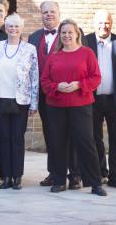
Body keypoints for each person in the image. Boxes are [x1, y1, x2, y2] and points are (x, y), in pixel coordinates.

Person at [40, 19, 106, 196]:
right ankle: (59, 181)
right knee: (57, 144)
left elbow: (96, 78)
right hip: (56, 107)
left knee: (86, 143)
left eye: (70, 32)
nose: (67, 35)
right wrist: (57, 87)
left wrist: (79, 84)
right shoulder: (54, 56)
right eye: (63, 33)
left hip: (81, 105)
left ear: (77, 34)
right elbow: (45, 81)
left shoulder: (87, 53)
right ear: (60, 36)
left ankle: (95, 183)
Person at [28, 0, 80, 189]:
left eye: (52, 12)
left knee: (71, 134)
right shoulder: (33, 37)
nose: (48, 15)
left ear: (59, 13)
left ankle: (75, 174)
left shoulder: (69, 34)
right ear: (41, 15)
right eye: (45, 12)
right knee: (51, 134)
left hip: (68, 94)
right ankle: (54, 172)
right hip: (45, 95)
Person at [84, 10, 116, 189]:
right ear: (94, 23)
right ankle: (100, 173)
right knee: (95, 138)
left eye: (106, 22)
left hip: (115, 99)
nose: (103, 26)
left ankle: (115, 176)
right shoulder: (85, 41)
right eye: (100, 22)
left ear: (111, 23)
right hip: (92, 99)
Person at [0, 13, 38, 190]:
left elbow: (34, 77)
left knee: (17, 138)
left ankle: (17, 176)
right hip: (0, 98)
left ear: (21, 28)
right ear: (5, 28)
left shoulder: (29, 49)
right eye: (10, 26)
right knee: (3, 138)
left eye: (16, 26)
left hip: (21, 100)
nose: (13, 29)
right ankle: (6, 176)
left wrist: (34, 103)